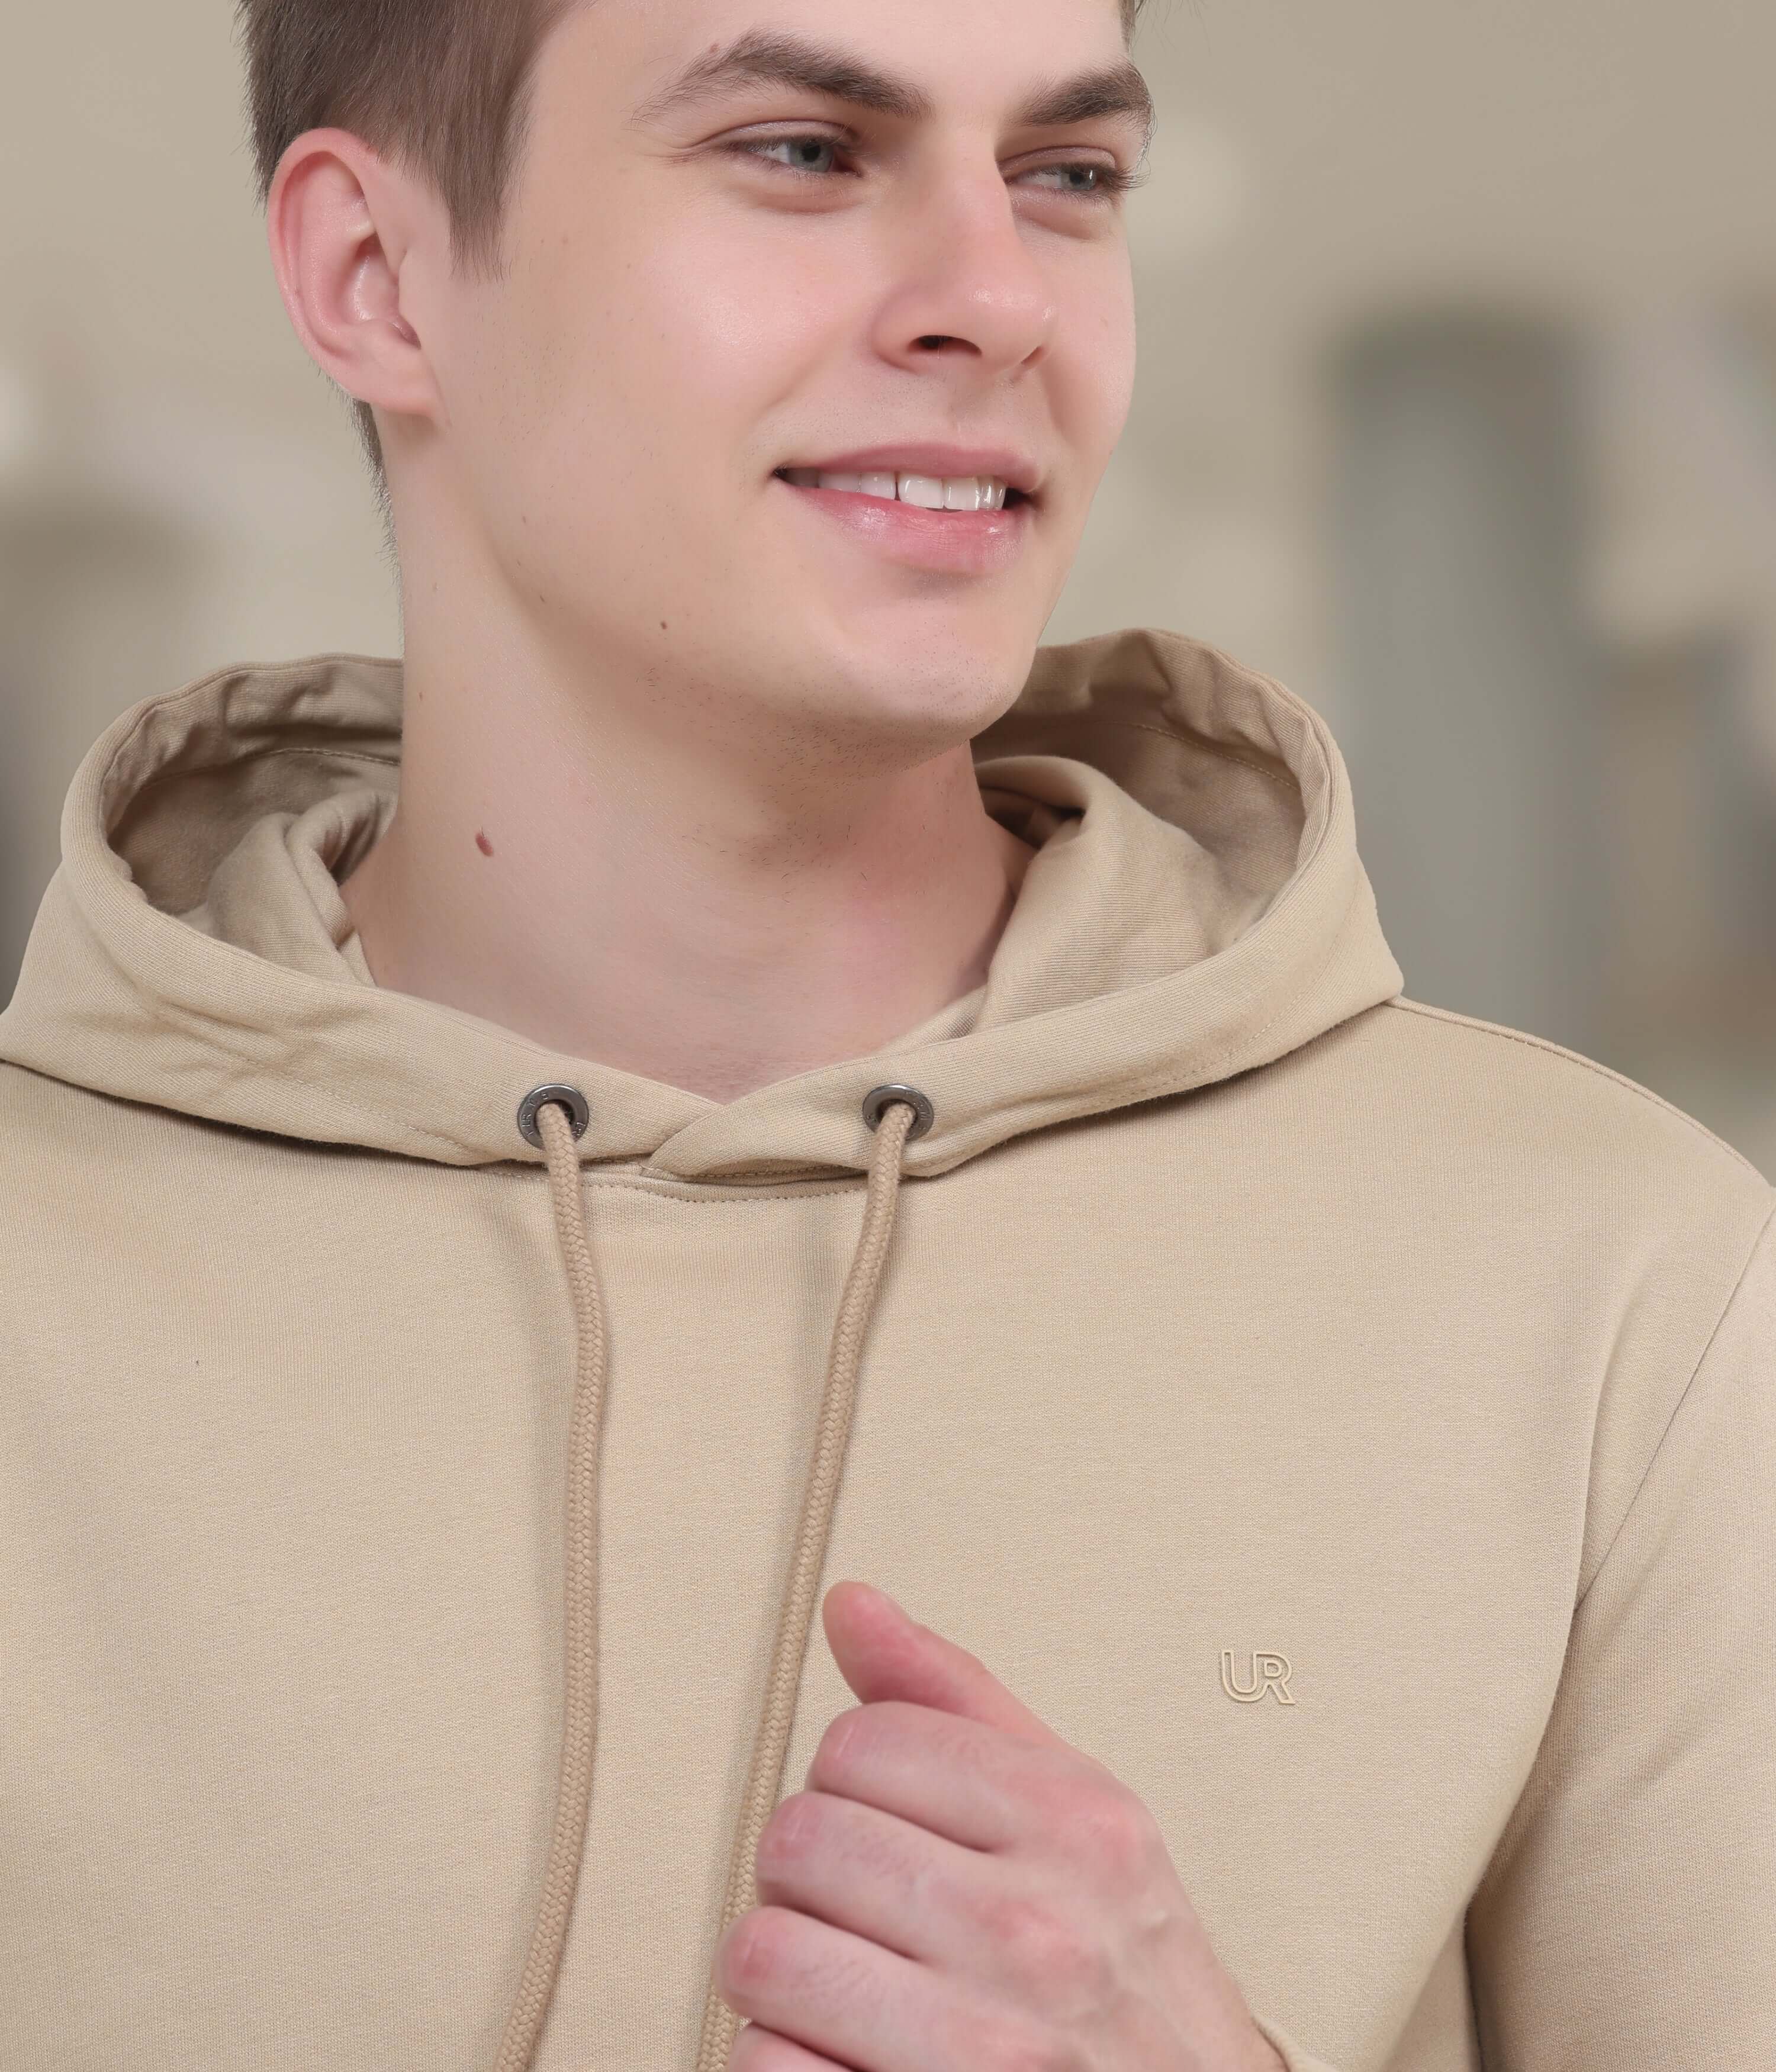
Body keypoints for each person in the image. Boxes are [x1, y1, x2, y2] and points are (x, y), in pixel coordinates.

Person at [1, 0, 1771, 2065]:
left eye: (1067, 176)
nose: (999, 296)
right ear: (377, 278)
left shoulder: (1622, 1286)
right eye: (803, 152)